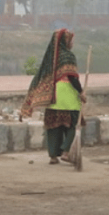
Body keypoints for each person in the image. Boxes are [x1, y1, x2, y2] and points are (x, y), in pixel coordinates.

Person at [21, 29, 86, 164]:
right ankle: (66, 152)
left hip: (53, 96)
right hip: (67, 95)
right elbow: (72, 78)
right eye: (71, 40)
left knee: (53, 126)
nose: (72, 43)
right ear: (65, 41)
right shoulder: (68, 56)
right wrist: (81, 92)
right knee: (72, 124)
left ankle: (53, 156)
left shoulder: (50, 59)